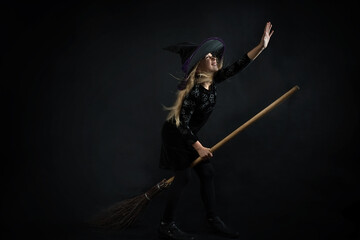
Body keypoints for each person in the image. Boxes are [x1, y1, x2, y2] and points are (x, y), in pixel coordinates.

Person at [158, 22, 274, 240]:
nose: (214, 57)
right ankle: (166, 225)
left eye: (214, 55)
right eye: (208, 56)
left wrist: (262, 46)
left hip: (188, 135)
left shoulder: (213, 80)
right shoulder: (193, 92)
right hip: (175, 136)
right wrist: (199, 147)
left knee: (207, 172)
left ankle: (213, 221)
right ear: (198, 64)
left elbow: (239, 64)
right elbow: (182, 124)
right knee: (182, 178)